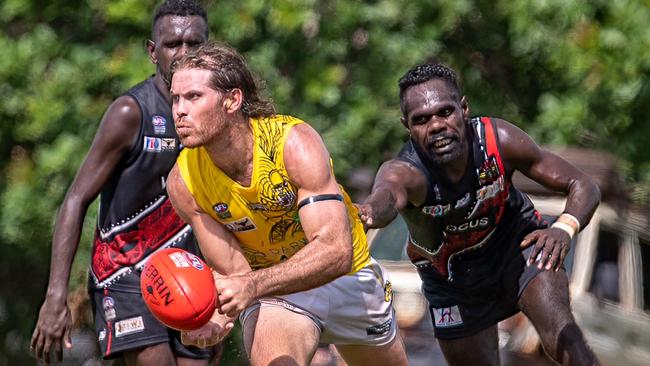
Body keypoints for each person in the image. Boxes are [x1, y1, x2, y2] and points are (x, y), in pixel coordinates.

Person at [165, 42, 409, 366]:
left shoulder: (292, 144)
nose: (180, 110)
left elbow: (336, 252)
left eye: (193, 97)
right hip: (275, 292)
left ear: (232, 100)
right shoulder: (184, 182)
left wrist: (249, 285)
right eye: (175, 98)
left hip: (349, 278)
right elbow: (234, 271)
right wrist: (214, 314)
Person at [357, 62, 602, 366]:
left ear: (464, 109)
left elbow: (583, 185)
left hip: (519, 252)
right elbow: (387, 197)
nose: (436, 126)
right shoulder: (407, 171)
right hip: (452, 283)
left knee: (568, 342)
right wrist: (367, 212)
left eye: (445, 112)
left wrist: (564, 227)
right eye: (421, 120)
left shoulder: (499, 140)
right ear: (407, 127)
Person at [30, 1, 212, 365]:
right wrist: (56, 296)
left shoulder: (216, 112)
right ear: (152, 51)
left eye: (195, 43)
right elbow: (75, 199)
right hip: (124, 273)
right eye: (173, 44)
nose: (184, 53)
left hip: (188, 273)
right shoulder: (131, 112)